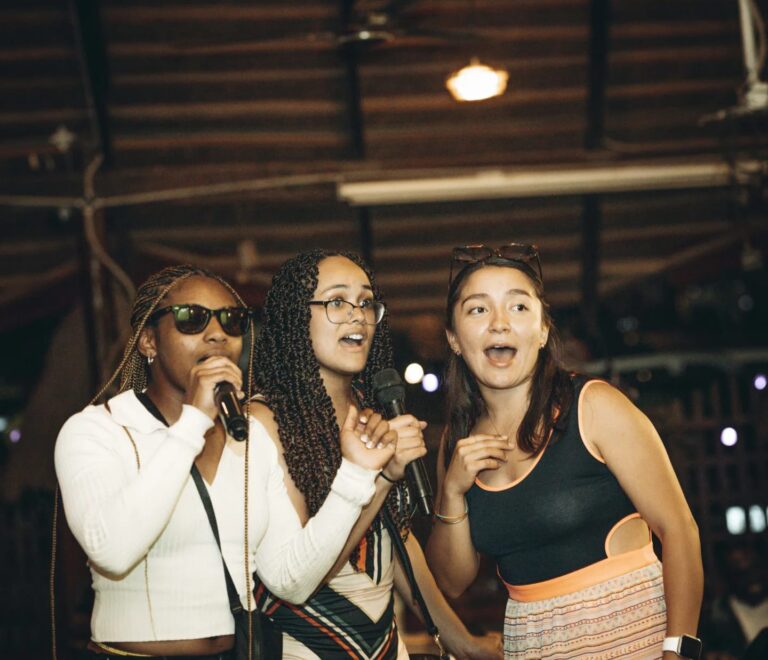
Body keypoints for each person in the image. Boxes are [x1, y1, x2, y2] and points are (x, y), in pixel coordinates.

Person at [55, 264, 396, 659]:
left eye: (232, 321)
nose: (216, 333)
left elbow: (291, 580)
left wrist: (356, 475)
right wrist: (193, 422)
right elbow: (111, 550)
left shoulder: (249, 437)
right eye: (191, 318)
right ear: (148, 341)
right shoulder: (99, 431)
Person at [425, 244, 704, 659]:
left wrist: (678, 652)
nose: (499, 323)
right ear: (453, 339)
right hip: (531, 644)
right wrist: (451, 492)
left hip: (632, 638)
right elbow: (451, 582)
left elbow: (680, 531)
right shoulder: (457, 439)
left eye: (518, 307)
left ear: (541, 331)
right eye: (478, 310)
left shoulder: (594, 405)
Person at [251, 249, 503, 659]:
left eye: (367, 303)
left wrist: (463, 643)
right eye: (336, 301)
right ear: (295, 319)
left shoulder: (374, 409)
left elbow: (398, 544)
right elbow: (296, 581)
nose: (357, 315)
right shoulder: (263, 425)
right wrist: (382, 479)